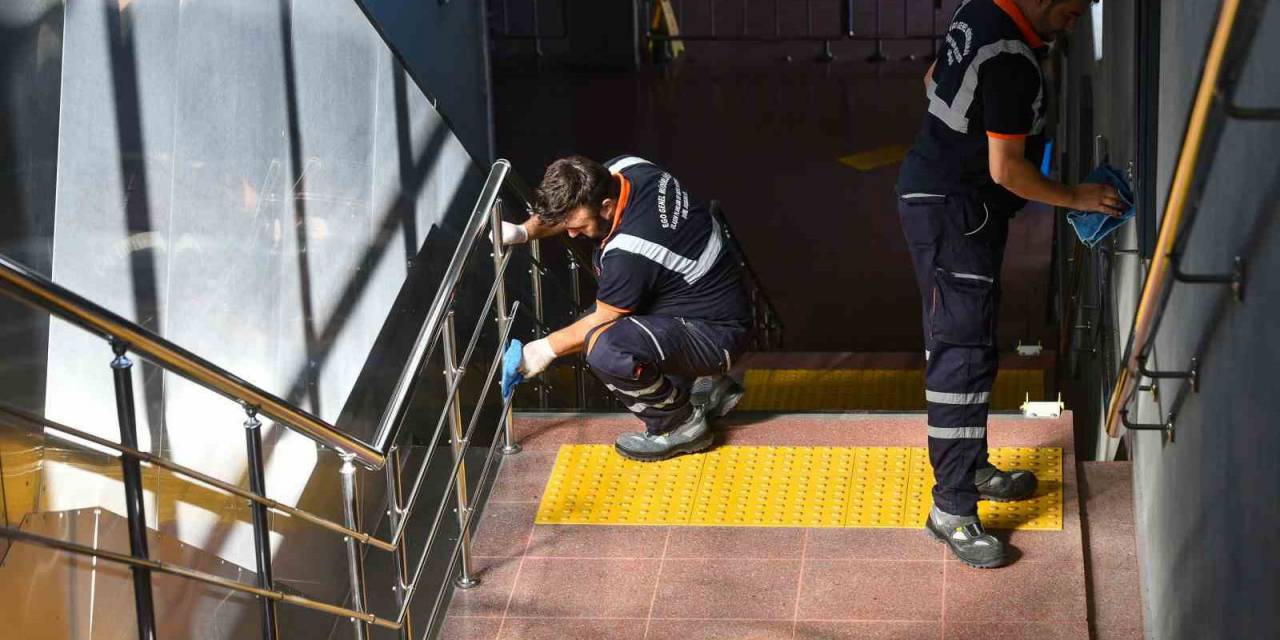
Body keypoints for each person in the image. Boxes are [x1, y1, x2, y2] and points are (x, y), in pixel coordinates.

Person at [897, 0, 1122, 568]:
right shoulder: (1012, 59)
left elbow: (932, 79)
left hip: (944, 196)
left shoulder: (978, 11)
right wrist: (1076, 197)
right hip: (956, 208)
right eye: (1075, 7)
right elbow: (1007, 170)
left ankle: (971, 467)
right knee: (961, 353)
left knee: (971, 343)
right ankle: (951, 509)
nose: (1079, 17)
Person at [496, 155, 751, 461]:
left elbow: (602, 320)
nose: (572, 234)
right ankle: (706, 384)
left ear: (606, 206)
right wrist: (523, 232)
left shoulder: (631, 250)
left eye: (579, 226)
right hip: (705, 300)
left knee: (605, 346)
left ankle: (679, 424)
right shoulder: (625, 168)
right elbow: (564, 212)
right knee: (593, 329)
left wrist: (541, 351)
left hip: (715, 334)